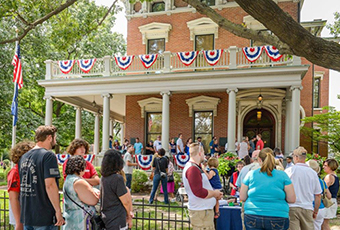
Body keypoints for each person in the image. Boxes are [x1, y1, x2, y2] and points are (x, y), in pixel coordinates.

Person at [19, 125, 65, 228]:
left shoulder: (23, 157)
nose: (55, 141)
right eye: (55, 138)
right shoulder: (48, 156)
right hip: (44, 215)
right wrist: (58, 211)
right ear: (49, 137)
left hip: (27, 215)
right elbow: (50, 185)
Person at [240, 148, 296, 230]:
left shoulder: (251, 174)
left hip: (253, 213)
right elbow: (292, 199)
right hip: (278, 214)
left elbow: (242, 197)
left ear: (259, 159)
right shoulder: (283, 175)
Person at [183, 143, 223, 229]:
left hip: (203, 211)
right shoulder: (192, 169)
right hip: (201, 212)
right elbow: (199, 192)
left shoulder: (196, 167)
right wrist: (215, 193)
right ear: (200, 153)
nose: (204, 155)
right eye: (204, 152)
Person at [284, 146, 322, 230]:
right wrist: (315, 210)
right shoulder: (313, 173)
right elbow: (318, 195)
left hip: (292, 207)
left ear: (296, 157)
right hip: (307, 207)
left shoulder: (289, 171)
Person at [63, 155, 100, 229]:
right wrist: (96, 194)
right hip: (80, 221)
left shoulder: (68, 179)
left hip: (70, 219)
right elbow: (93, 200)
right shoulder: (79, 182)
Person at [101, 149, 133, 229]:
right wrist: (129, 217)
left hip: (106, 218)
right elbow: (125, 201)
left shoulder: (103, 178)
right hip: (117, 219)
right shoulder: (117, 178)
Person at [7, 141, 35, 230]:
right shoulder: (15, 172)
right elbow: (13, 198)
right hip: (21, 217)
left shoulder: (28, 171)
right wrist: (19, 222)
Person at [306, 160, 332, 230]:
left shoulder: (306, 181)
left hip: (309, 207)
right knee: (317, 227)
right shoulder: (322, 182)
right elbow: (329, 196)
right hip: (321, 208)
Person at [322, 159, 339, 230]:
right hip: (333, 201)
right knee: (325, 223)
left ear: (330, 166)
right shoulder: (335, 176)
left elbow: (324, 189)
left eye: (325, 165)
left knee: (323, 224)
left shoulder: (329, 177)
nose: (323, 167)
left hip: (327, 201)